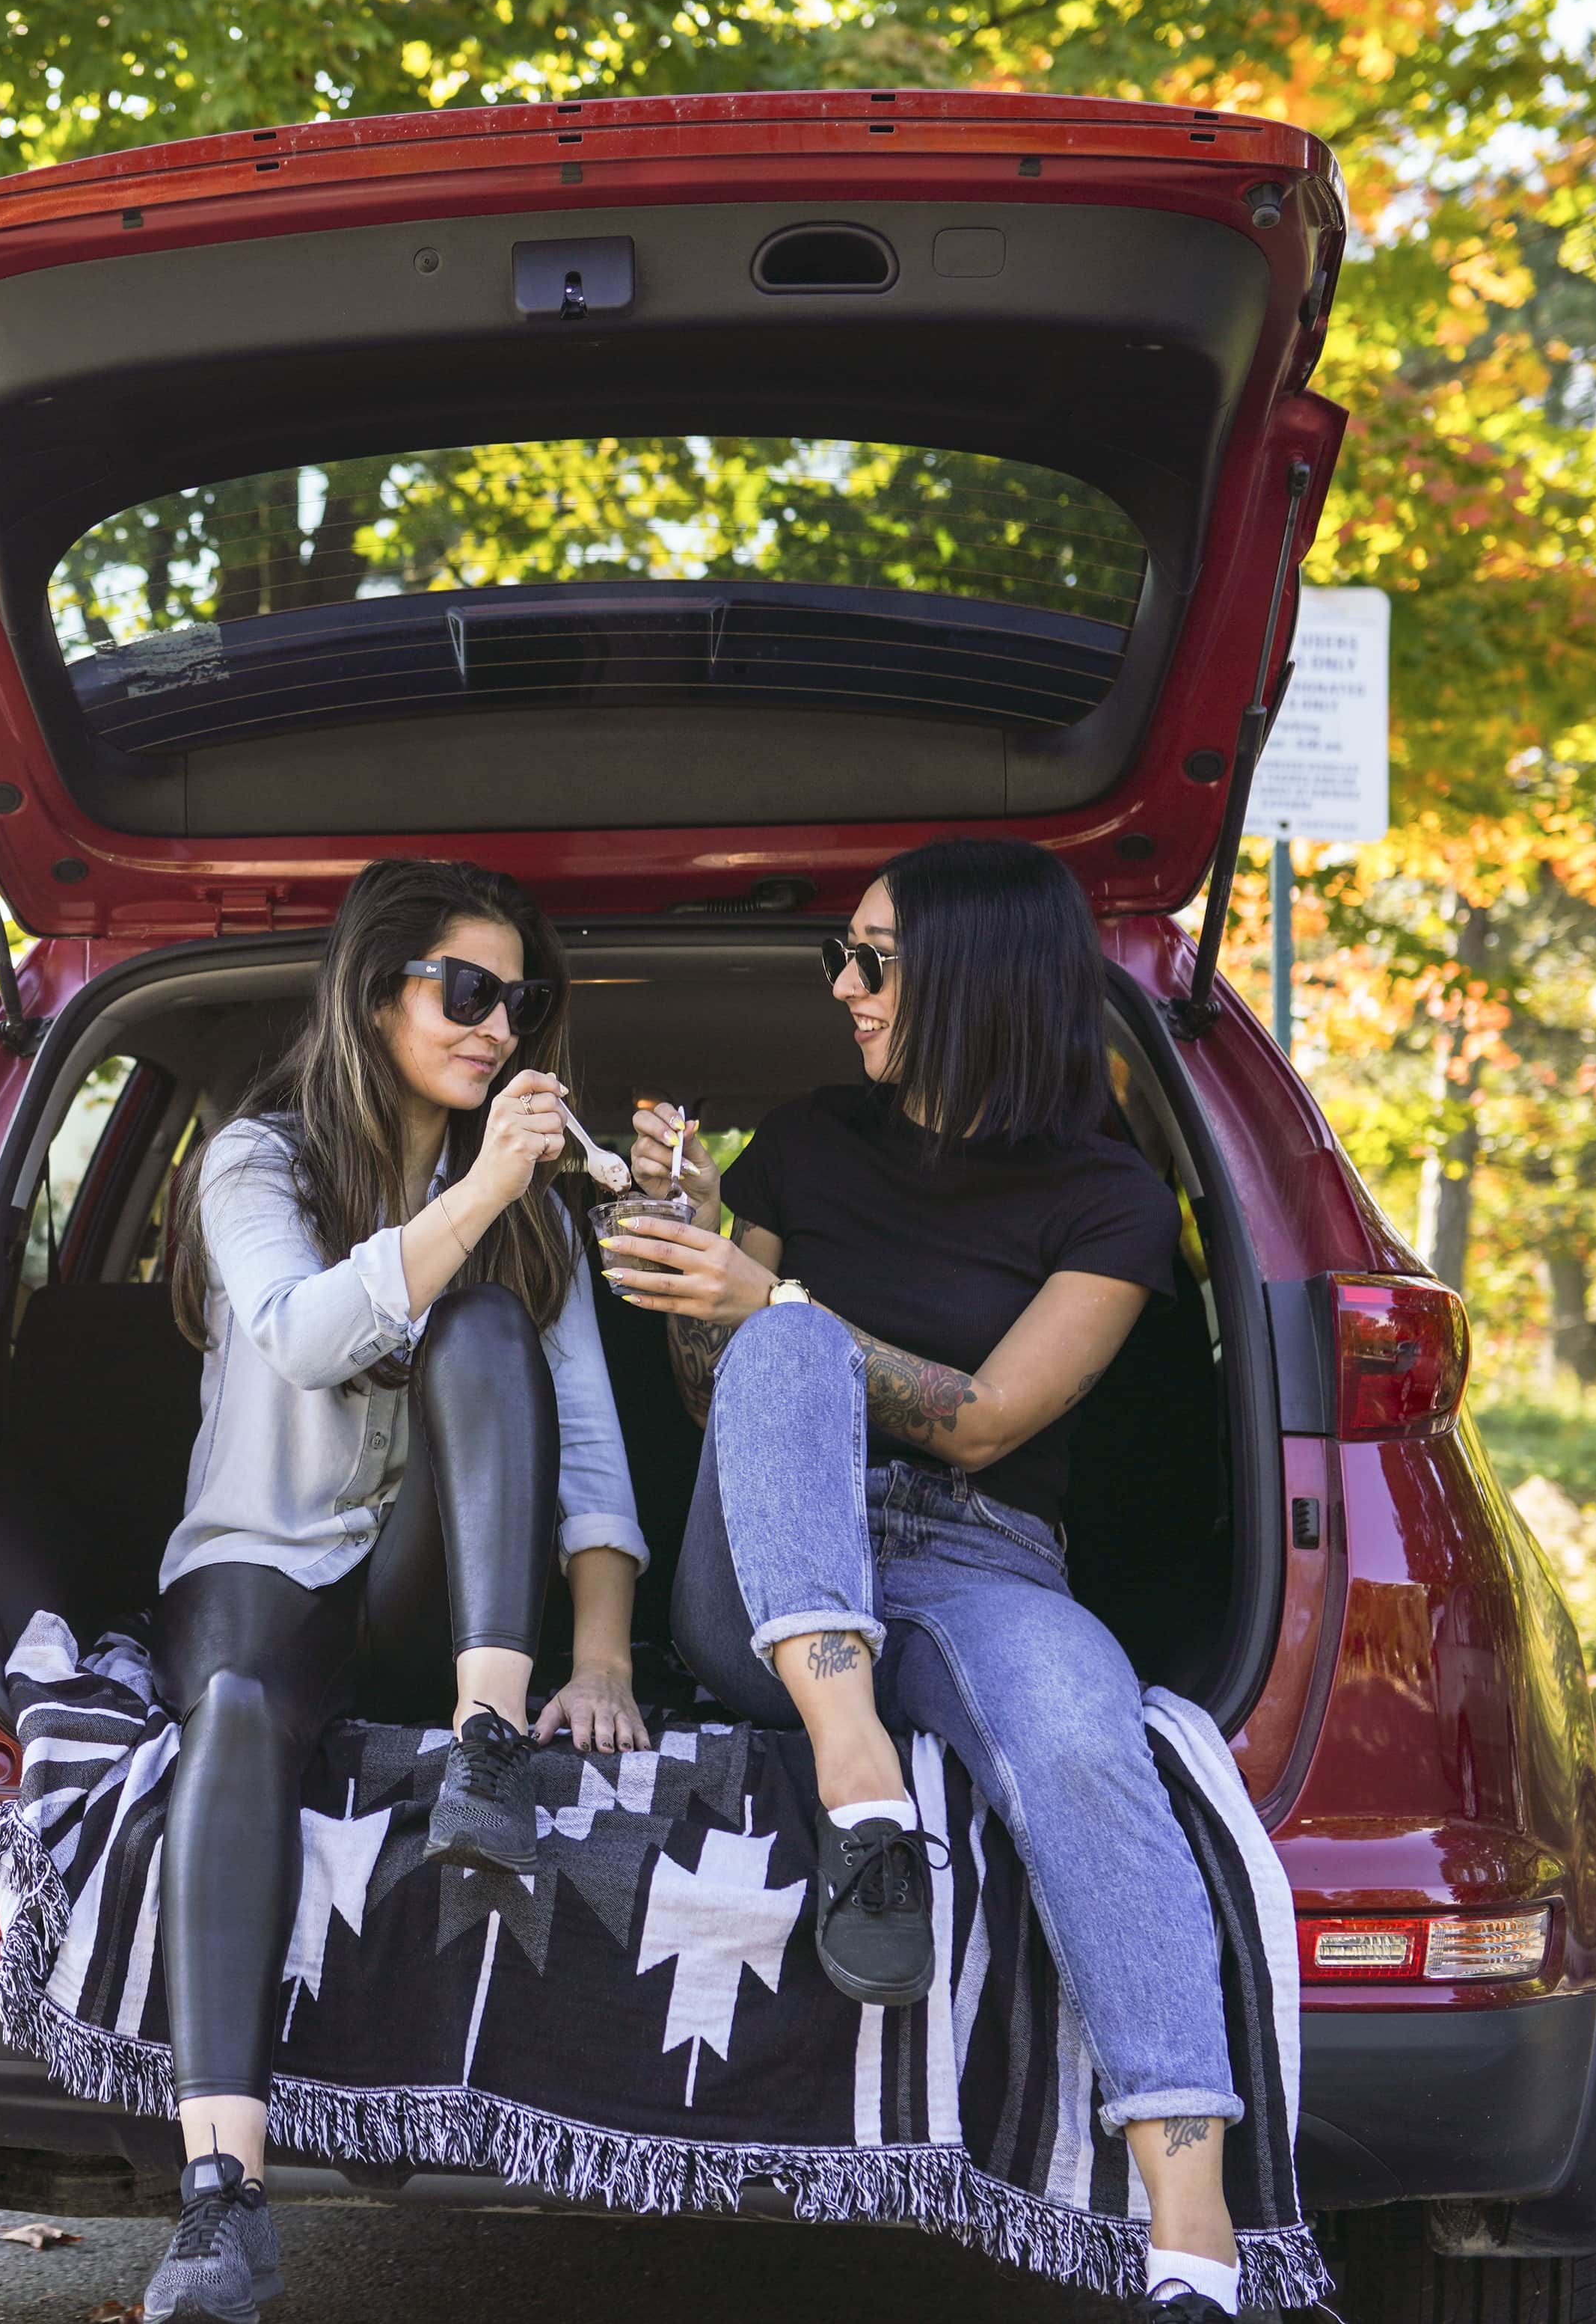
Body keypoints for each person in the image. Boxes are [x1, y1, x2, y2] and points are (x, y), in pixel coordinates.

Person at [604, 836, 1250, 2321]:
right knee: (777, 1349)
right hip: (765, 1573)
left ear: (973, 977)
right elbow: (721, 1389)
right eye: (841, 955)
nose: (841, 987)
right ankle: (861, 1789)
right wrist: (707, 1245)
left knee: (1089, 1742)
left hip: (978, 1557)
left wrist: (779, 1304)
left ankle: (1192, 2230)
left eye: (872, 960)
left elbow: (993, 1417)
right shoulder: (811, 1143)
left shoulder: (1108, 1198)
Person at [138, 856, 647, 2324]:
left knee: (490, 1321)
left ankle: (484, 1750)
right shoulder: (257, 1161)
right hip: (260, 1568)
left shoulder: (528, 1211)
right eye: (465, 991)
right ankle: (221, 2199)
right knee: (231, 1712)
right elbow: (301, 1336)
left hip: (429, 1600)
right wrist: (485, 1182)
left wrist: (599, 1653)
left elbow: (590, 1443)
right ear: (377, 995)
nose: (497, 1026)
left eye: (520, 1002)